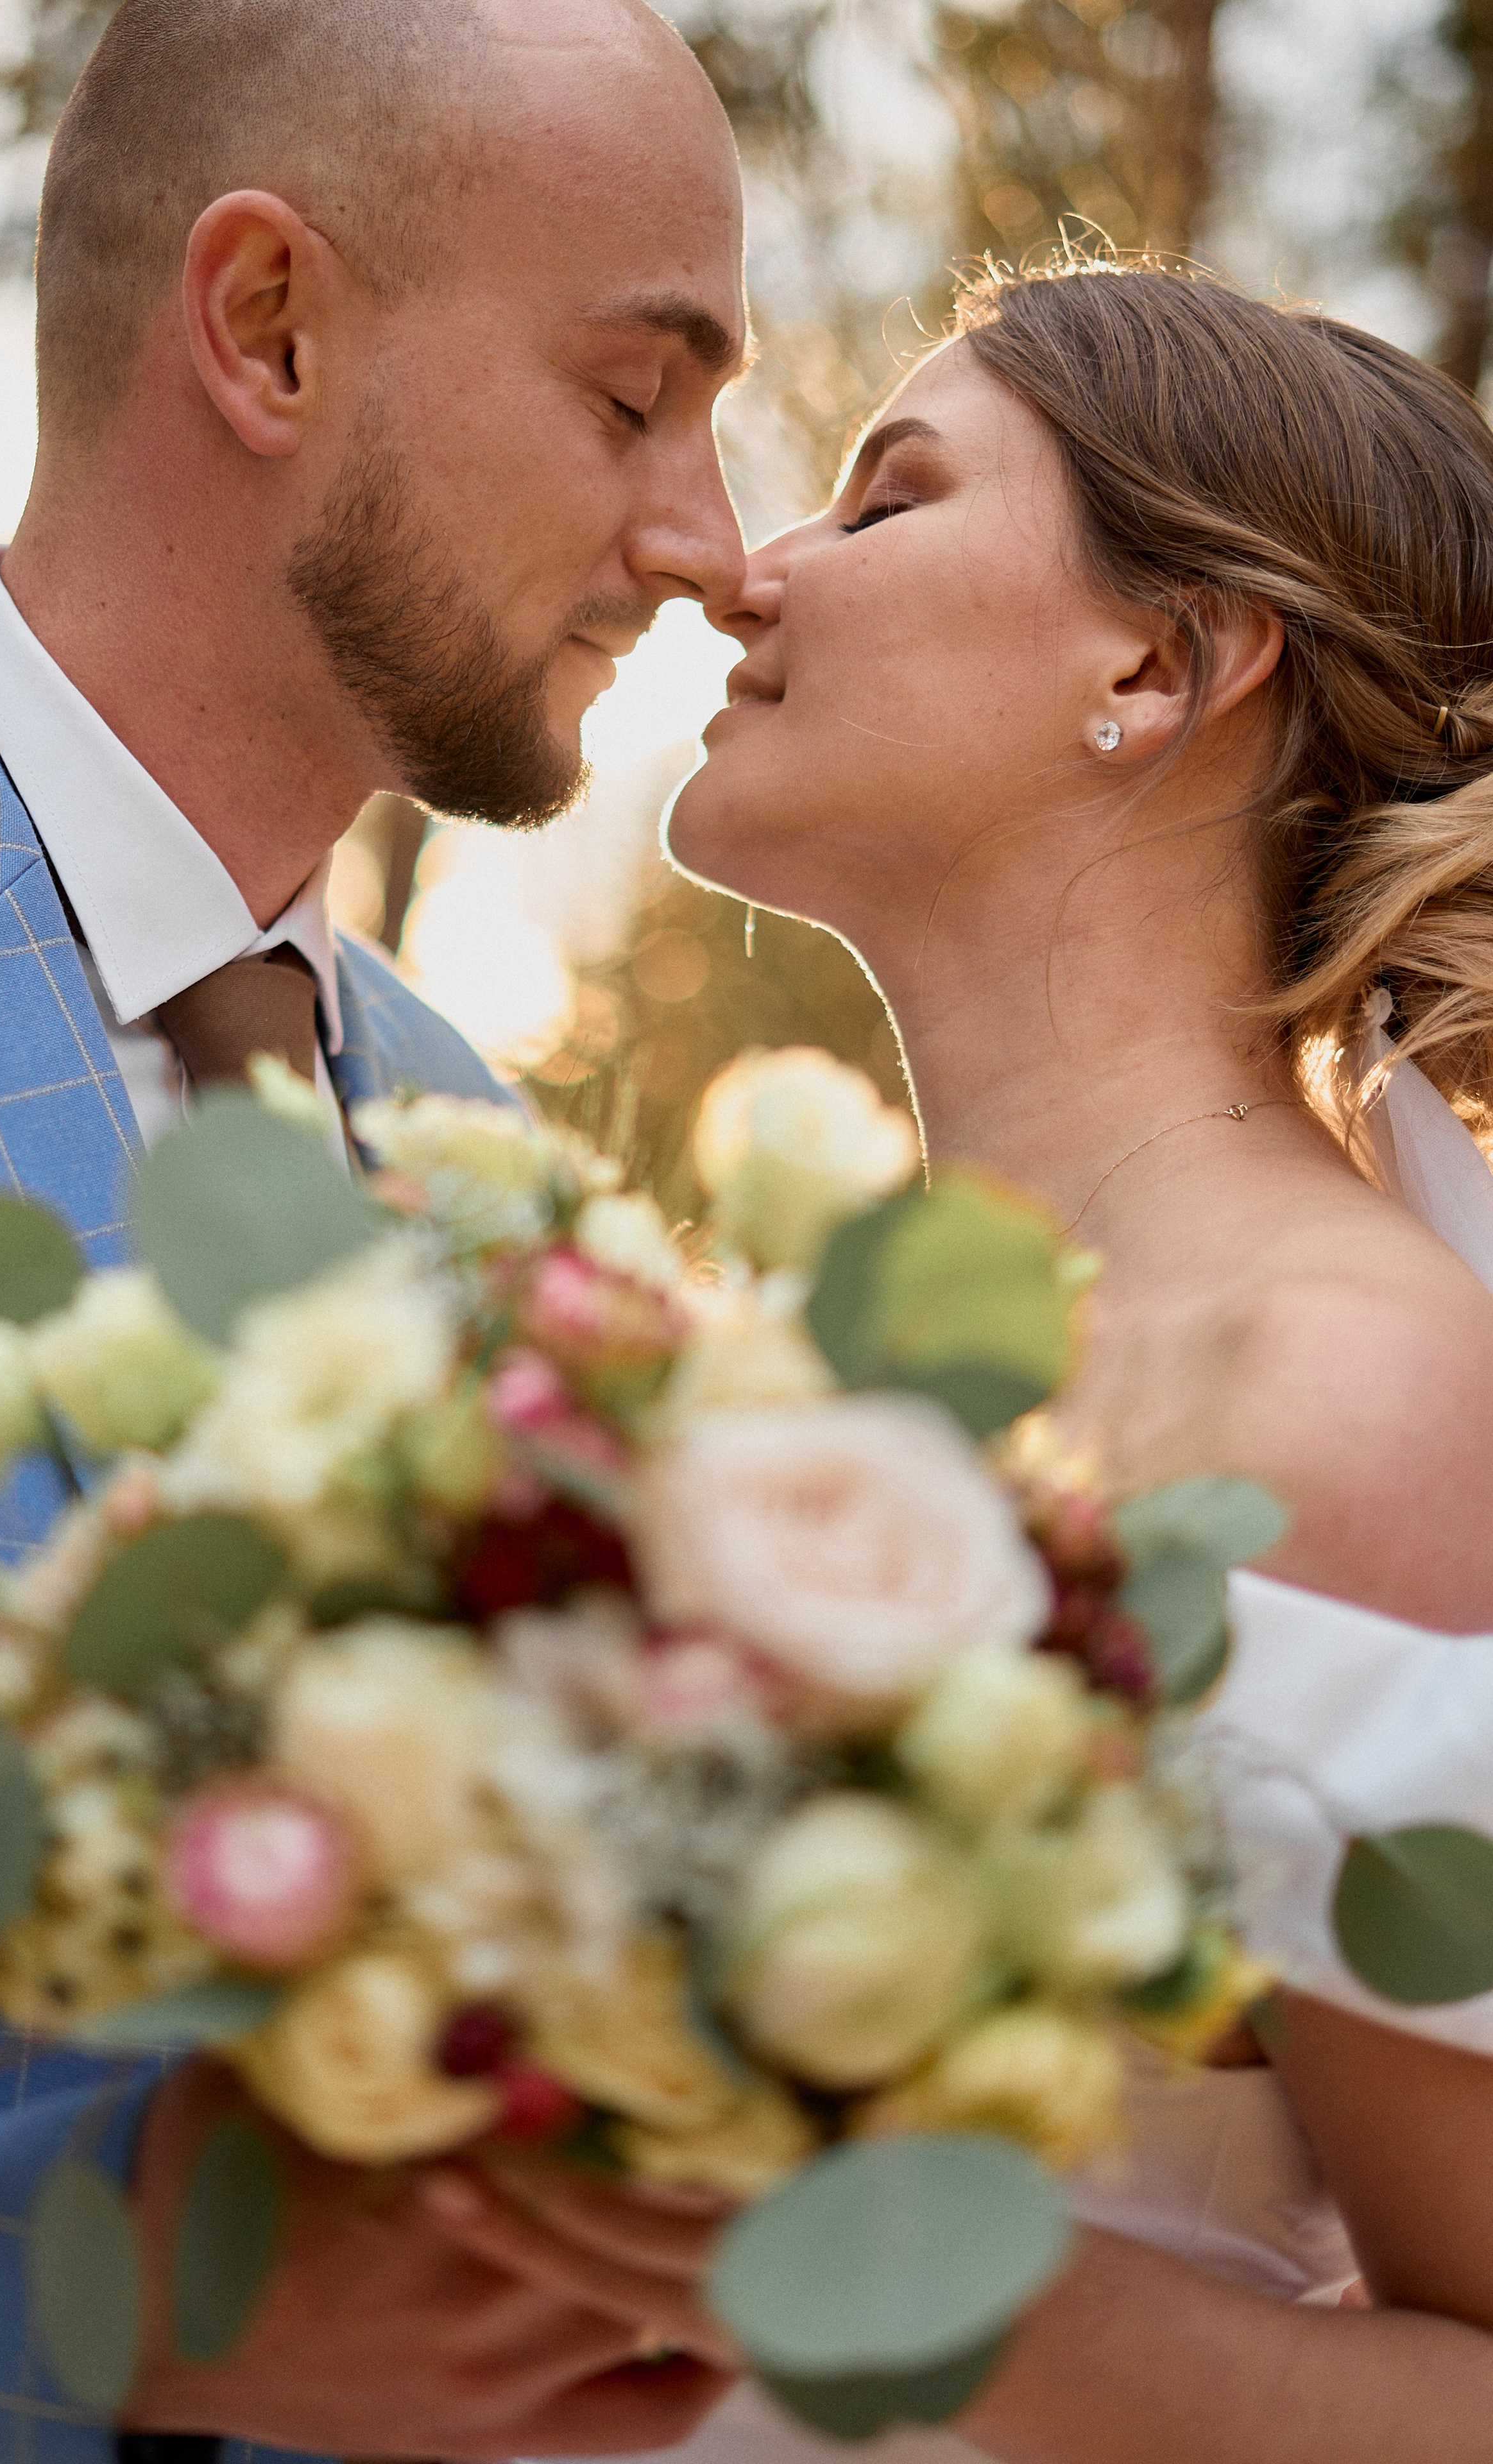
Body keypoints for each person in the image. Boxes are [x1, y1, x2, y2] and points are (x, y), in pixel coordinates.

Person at [0, 0, 751, 2454]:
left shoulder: (480, 1162)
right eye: (633, 397)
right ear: (267, 328)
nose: (708, 544)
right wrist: (103, 2314)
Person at [657, 259, 1493, 2461]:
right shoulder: (794, 1367)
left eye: (887, 499)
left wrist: (768, 2250)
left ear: (1155, 664)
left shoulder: (1343, 1396)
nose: (747, 571)